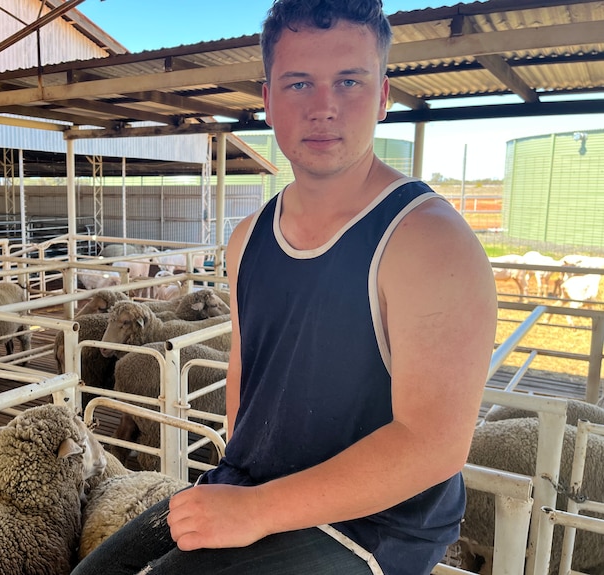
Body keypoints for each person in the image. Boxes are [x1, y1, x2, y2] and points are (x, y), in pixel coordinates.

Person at [72, 0, 497, 573]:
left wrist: (257, 512)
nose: (324, 107)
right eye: (299, 84)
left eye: (349, 81)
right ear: (268, 99)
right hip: (252, 485)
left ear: (381, 96)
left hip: (372, 529)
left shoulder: (428, 242)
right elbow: (245, 379)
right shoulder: (247, 239)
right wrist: (242, 490)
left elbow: (433, 444)